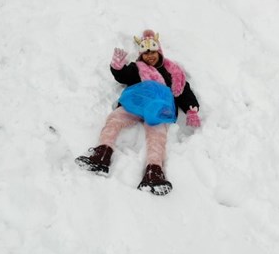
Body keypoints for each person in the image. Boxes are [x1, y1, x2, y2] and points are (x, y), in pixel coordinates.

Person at [76, 29, 201, 195]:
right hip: (135, 104)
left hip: (158, 108)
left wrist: (191, 108)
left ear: (159, 52)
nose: (150, 56)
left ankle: (154, 171)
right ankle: (102, 154)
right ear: (141, 55)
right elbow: (124, 76)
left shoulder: (172, 72)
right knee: (114, 119)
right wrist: (118, 67)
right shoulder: (137, 68)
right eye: (146, 53)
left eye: (153, 52)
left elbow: (183, 91)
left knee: (157, 136)